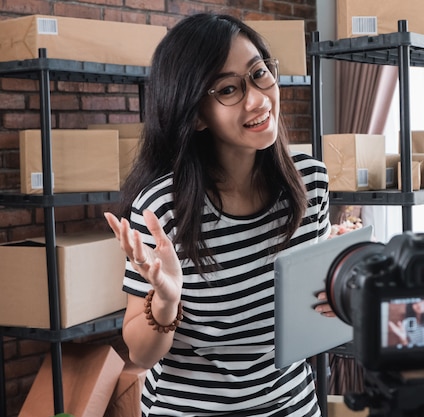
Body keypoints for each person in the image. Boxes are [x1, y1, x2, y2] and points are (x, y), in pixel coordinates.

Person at [104, 12, 332, 417]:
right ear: (194, 115)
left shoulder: (310, 184)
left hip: (292, 407)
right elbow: (140, 352)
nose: (259, 98)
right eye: (229, 89)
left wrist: (339, 299)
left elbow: (314, 311)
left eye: (260, 73)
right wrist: (166, 302)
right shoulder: (161, 210)